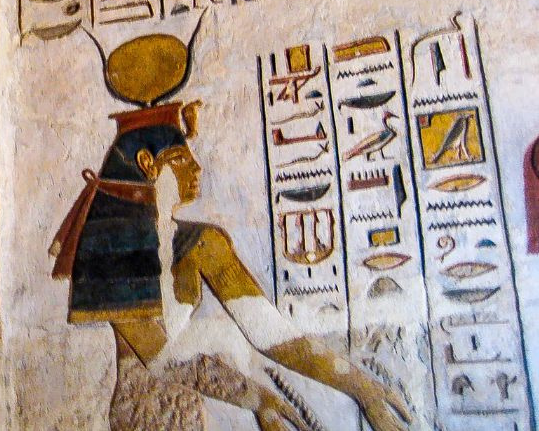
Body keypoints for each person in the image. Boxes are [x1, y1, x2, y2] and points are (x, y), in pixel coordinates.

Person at [50, 101, 412, 431]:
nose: (196, 168)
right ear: (148, 164)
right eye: (182, 159)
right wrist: (258, 398)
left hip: (189, 408)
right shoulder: (109, 246)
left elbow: (270, 333)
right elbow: (158, 357)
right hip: (145, 414)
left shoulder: (203, 242)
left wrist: (363, 388)